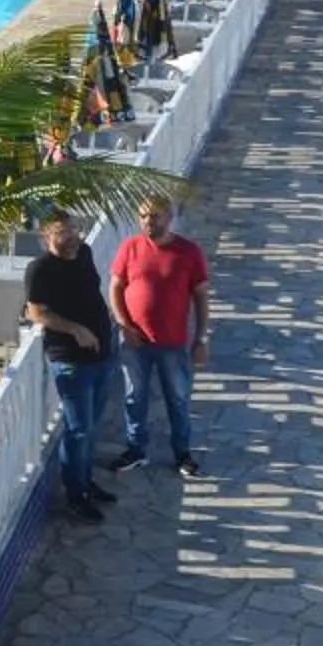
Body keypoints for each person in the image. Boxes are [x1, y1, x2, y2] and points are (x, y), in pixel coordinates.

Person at [24, 211, 120, 522]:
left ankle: (86, 481)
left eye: (74, 230)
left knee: (91, 425)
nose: (71, 238)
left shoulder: (86, 252)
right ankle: (75, 494)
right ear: (47, 236)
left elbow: (90, 291)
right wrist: (75, 329)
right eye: (62, 233)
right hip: (70, 359)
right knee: (78, 429)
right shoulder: (40, 269)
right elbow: (36, 313)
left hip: (102, 351)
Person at [110, 194, 213, 476]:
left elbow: (201, 298)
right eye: (143, 216)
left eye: (154, 216)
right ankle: (136, 449)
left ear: (169, 217)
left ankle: (182, 454)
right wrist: (124, 325)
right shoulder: (129, 248)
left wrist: (201, 339)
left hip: (172, 343)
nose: (147, 222)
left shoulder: (188, 252)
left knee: (178, 400)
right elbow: (116, 287)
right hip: (135, 341)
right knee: (134, 397)